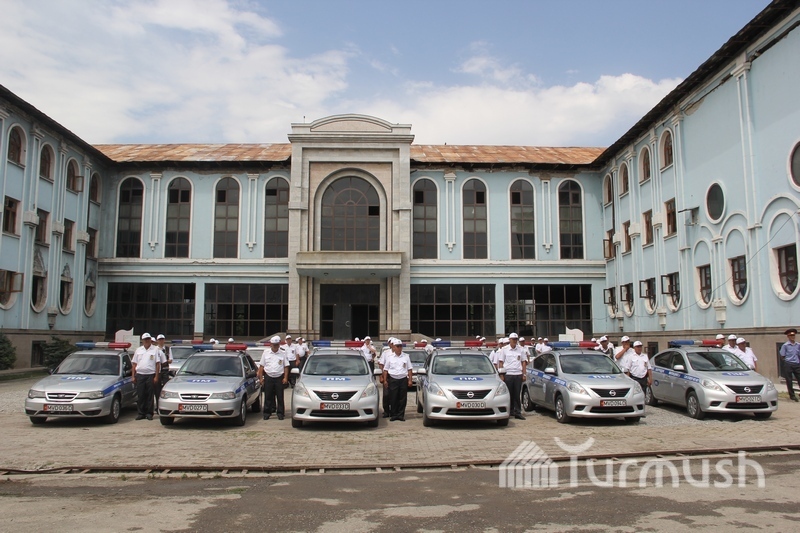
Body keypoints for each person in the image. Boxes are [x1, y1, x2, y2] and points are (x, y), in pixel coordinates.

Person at [131, 333, 163, 420]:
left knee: (150, 395)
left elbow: (157, 364)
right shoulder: (138, 350)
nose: (147, 341)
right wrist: (133, 376)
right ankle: (141, 413)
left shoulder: (155, 349)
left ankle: (149, 413)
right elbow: (134, 364)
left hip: (150, 375)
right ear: (142, 340)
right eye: (145, 339)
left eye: (148, 339)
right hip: (140, 375)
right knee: (141, 394)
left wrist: (156, 376)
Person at [257, 336, 290, 420]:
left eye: (277, 344)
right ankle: (267, 413)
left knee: (280, 397)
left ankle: (280, 413)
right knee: (268, 396)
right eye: (274, 345)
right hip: (269, 376)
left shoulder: (283, 353)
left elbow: (286, 366)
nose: (275, 346)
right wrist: (261, 378)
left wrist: (285, 378)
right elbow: (261, 366)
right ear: (271, 344)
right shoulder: (266, 353)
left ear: (279, 345)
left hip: (279, 377)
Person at [498, 332, 528, 420]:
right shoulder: (504, 349)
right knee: (509, 394)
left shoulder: (520, 349)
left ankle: (517, 412)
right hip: (508, 374)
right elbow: (501, 362)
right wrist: (501, 374)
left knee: (517, 394)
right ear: (510, 340)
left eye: (516, 339)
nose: (515, 341)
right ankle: (509, 411)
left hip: (518, 374)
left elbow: (523, 362)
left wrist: (524, 374)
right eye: (513, 339)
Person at [382, 338, 413, 421]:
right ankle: (394, 414)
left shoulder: (406, 356)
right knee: (393, 397)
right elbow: (385, 370)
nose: (399, 348)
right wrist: (385, 380)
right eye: (397, 346)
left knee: (402, 398)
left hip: (403, 379)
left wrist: (410, 380)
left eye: (400, 346)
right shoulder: (390, 357)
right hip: (393, 379)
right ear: (393, 347)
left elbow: (409, 369)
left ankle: (400, 415)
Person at [780, 328, 800, 402]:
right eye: (791, 335)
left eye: (793, 335)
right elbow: (782, 355)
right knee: (789, 380)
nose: (792, 337)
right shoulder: (785, 345)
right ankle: (792, 395)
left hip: (797, 363)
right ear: (788, 336)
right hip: (788, 364)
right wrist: (787, 361)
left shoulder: (798, 345)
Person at [153, 334, 172, 406]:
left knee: (165, 386)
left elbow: (170, 360)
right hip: (157, 371)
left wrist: (165, 362)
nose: (161, 341)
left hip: (165, 370)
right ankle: (157, 404)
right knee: (157, 388)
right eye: (160, 340)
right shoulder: (155, 349)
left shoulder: (167, 349)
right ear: (157, 341)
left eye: (162, 339)